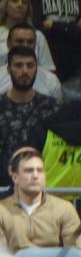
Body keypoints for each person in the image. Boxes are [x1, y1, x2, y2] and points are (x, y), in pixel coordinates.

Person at [0, 47, 60, 191]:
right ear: (8, 69)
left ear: (36, 69)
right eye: (18, 65)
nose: (25, 71)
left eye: (30, 65)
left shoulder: (51, 107)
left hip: (41, 183)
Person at [0, 23, 60, 99]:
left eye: (30, 42)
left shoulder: (51, 81)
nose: (25, 46)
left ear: (35, 45)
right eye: (19, 41)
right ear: (8, 44)